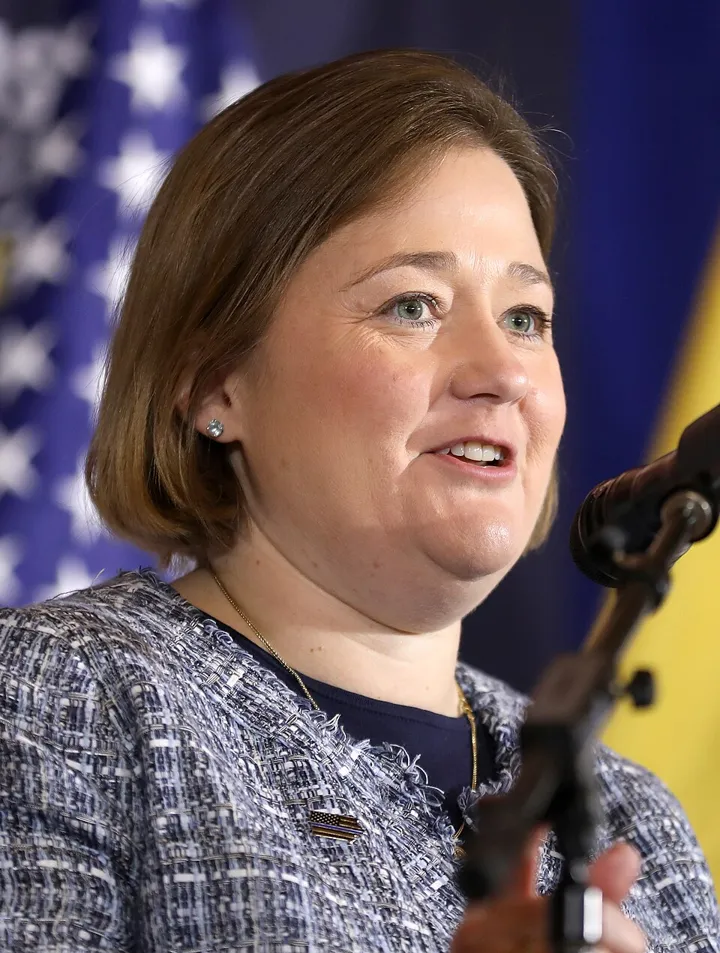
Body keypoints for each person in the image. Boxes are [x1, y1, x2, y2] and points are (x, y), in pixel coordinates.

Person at [0, 49, 716, 953]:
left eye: (526, 318)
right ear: (213, 383)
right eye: (412, 305)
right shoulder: (63, 701)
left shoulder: (636, 823)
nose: (501, 373)